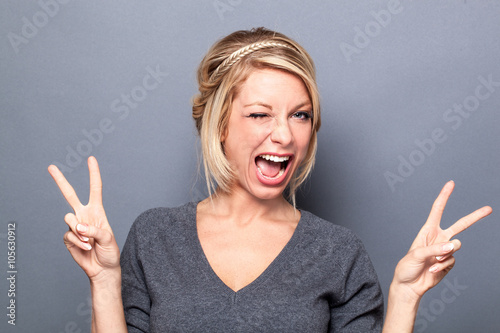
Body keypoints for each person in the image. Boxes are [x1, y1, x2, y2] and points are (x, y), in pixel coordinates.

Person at [48, 27, 492, 332]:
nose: (284, 134)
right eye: (260, 114)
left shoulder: (338, 253)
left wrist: (406, 295)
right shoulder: (155, 236)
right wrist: (104, 279)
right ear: (219, 125)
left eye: (300, 115)